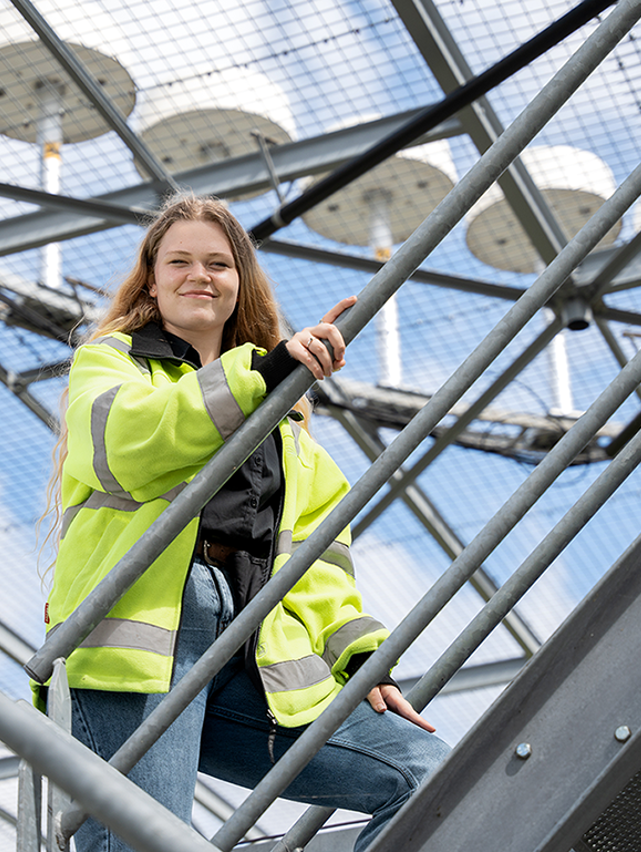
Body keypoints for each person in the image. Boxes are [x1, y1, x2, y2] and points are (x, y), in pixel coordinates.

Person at [39, 193, 448, 852]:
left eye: (218, 263)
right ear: (152, 279)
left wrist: (364, 659)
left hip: (261, 648)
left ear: (239, 284)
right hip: (140, 644)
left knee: (425, 775)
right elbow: (128, 445)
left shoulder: (290, 434)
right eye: (179, 261)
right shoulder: (112, 363)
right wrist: (263, 370)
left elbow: (322, 570)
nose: (199, 275)